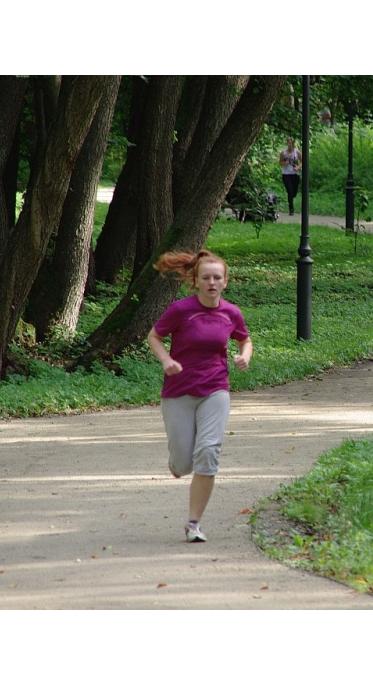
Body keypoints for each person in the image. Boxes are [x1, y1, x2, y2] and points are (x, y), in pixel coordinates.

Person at [147, 250, 253, 543]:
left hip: (215, 389)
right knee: (183, 465)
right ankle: (178, 462)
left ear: (225, 282)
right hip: (178, 391)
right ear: (196, 281)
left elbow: (244, 339)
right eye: (206, 278)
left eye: (217, 278)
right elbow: (153, 336)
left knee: (208, 452)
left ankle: (194, 523)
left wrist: (244, 356)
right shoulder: (181, 310)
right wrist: (166, 360)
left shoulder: (231, 312)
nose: (212, 283)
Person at [278, 137, 302, 215]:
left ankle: (292, 196)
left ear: (293, 143)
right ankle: (291, 209)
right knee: (290, 191)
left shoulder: (297, 152)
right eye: (288, 143)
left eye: (291, 143)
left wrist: (298, 167)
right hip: (286, 174)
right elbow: (280, 162)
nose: (290, 145)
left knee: (294, 191)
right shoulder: (283, 153)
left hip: (295, 174)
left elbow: (303, 161)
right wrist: (284, 163)